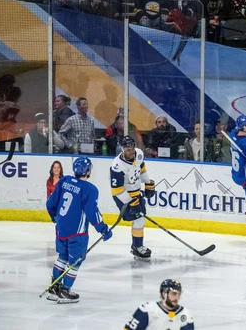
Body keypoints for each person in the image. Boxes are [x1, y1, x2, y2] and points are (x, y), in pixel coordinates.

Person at [46, 156, 113, 303]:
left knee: (62, 257)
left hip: (61, 229)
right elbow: (92, 213)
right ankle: (65, 291)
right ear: (88, 171)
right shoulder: (90, 189)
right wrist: (103, 229)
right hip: (77, 233)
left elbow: (50, 202)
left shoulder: (64, 181)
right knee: (75, 261)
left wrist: (54, 217)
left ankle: (54, 287)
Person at [110, 135, 155, 260]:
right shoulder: (117, 165)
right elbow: (116, 189)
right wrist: (130, 202)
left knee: (140, 219)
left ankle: (137, 246)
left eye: (132, 148)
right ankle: (137, 246)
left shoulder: (139, 154)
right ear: (122, 149)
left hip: (136, 192)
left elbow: (142, 169)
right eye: (127, 149)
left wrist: (148, 183)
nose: (131, 151)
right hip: (122, 195)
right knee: (138, 218)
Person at [124, 279, 194, 330]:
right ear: (164, 294)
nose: (177, 297)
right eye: (174, 293)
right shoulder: (147, 311)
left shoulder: (185, 314)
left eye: (179, 294)